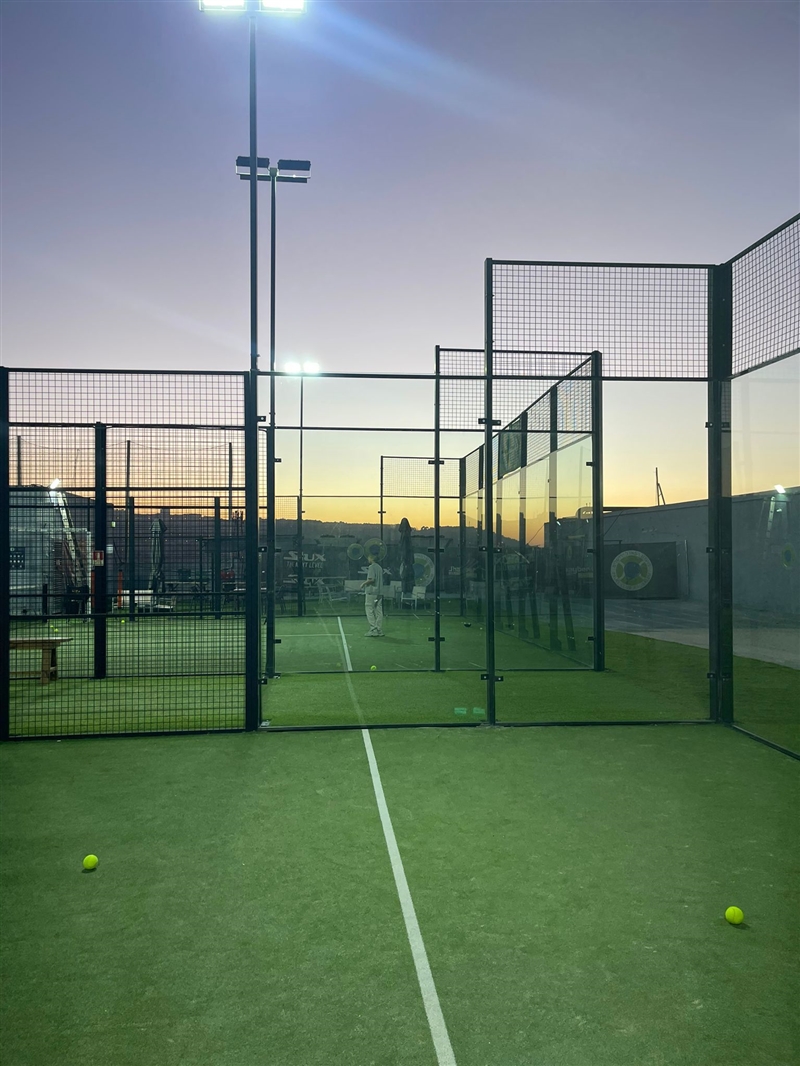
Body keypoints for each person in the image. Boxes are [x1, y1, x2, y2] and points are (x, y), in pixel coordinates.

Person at [361, 551, 385, 637]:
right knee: (378, 610)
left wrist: (363, 584)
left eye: (368, 557)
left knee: (369, 609)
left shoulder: (371, 567)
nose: (368, 559)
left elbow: (371, 579)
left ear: (371, 558)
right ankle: (379, 630)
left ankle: (373, 629)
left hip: (371, 592)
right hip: (379, 592)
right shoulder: (379, 567)